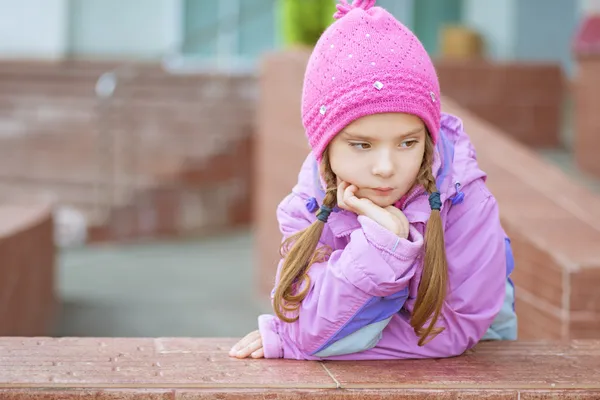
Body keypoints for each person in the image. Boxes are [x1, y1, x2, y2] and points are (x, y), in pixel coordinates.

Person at [229, 0, 517, 360]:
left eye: (407, 143)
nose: (385, 167)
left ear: (426, 138)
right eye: (362, 145)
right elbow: (307, 330)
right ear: (325, 145)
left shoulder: (464, 202)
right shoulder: (307, 206)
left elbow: (453, 332)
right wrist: (381, 246)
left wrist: (302, 340)